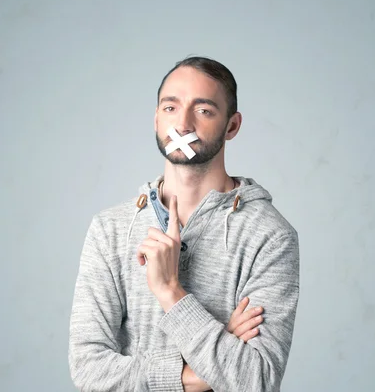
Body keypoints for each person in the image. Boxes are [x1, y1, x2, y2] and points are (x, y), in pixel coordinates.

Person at [68, 56, 300, 392]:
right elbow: (89, 371)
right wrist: (199, 374)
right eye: (171, 108)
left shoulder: (271, 236)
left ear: (232, 126)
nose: (183, 124)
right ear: (156, 119)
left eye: (204, 110)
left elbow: (256, 380)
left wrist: (170, 292)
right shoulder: (111, 229)